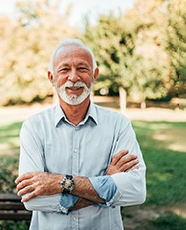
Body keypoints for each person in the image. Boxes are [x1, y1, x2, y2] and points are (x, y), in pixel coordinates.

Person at [15, 38, 146, 230]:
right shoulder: (34, 127)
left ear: (95, 75)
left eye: (82, 69)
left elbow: (135, 190)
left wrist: (61, 183)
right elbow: (33, 200)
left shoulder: (119, 125)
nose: (74, 77)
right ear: (52, 78)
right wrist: (106, 184)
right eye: (64, 69)